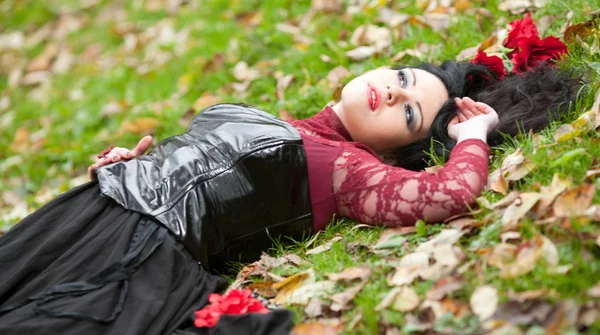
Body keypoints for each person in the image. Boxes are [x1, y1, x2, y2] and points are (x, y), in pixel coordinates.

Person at [0, 59, 581, 335]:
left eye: (408, 113)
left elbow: (444, 196)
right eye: (402, 76)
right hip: (88, 216)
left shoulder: (346, 167)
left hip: (138, 251)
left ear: (396, 149)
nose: (391, 93)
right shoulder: (301, 127)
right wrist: (129, 165)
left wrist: (472, 138)